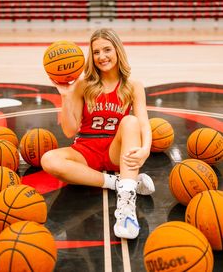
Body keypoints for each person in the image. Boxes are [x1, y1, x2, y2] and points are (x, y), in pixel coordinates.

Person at [41, 28, 155, 239]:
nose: (102, 57)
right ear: (90, 57)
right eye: (96, 52)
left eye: (107, 50)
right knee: (49, 159)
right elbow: (69, 130)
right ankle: (120, 183)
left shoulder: (133, 86)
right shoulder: (82, 85)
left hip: (116, 151)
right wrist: (66, 96)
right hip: (85, 150)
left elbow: (144, 124)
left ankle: (126, 209)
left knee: (130, 121)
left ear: (118, 51)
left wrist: (145, 150)